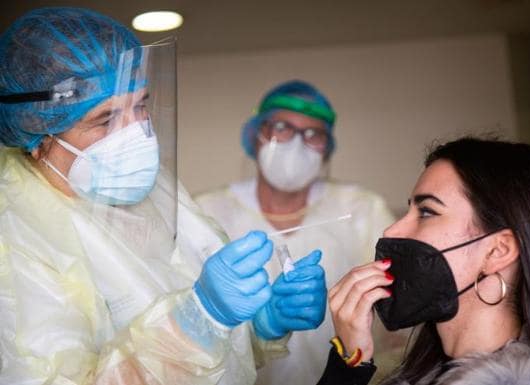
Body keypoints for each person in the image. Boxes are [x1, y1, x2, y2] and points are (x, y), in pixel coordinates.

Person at [0, 7, 327, 385]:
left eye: (140, 105)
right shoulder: (15, 239)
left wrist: (262, 324)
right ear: (38, 136)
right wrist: (200, 320)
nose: (137, 132)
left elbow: (218, 357)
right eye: (105, 120)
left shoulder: (153, 189)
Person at [317, 137, 530, 385]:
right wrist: (350, 360)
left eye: (426, 212)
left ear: (497, 252)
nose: (392, 230)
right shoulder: (427, 369)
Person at [195, 80, 402, 385]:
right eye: (281, 127)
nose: (295, 143)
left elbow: (397, 320)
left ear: (326, 148)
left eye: (313, 134)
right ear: (255, 137)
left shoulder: (361, 209)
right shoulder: (208, 212)